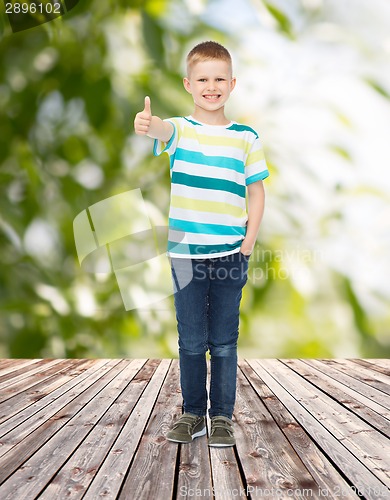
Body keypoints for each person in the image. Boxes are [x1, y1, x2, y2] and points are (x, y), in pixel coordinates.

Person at [134, 41, 269, 447]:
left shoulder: (245, 137)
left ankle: (222, 417)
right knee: (191, 340)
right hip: (185, 255)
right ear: (189, 84)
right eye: (203, 79)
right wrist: (148, 123)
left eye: (219, 79)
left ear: (232, 83)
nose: (212, 86)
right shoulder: (181, 130)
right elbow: (162, 129)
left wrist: (248, 242)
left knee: (224, 341)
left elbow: (257, 192)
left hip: (231, 252)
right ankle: (192, 413)